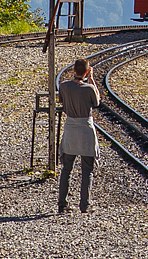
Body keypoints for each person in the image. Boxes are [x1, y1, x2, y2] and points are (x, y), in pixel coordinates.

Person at [58, 57, 100, 213]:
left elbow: (62, 101)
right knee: (87, 169)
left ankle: (62, 204)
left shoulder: (64, 86)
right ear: (87, 71)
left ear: (73, 70)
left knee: (67, 168)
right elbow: (96, 102)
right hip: (85, 128)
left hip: (70, 128)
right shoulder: (89, 88)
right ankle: (84, 205)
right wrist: (92, 80)